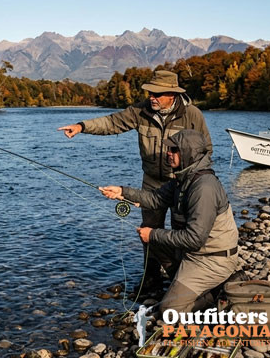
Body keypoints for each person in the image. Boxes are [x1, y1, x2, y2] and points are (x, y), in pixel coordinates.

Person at [58, 70, 212, 287]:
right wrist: (82, 127)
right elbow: (112, 123)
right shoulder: (140, 111)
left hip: (180, 183)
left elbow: (206, 150)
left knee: (180, 232)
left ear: (172, 95)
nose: (152, 97)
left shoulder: (192, 115)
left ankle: (183, 278)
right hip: (151, 182)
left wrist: (196, 183)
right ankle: (151, 276)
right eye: (150, 92)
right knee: (148, 230)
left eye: (157, 93)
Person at [99, 129, 238, 313]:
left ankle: (219, 291)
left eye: (174, 149)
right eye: (169, 149)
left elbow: (195, 239)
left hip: (212, 260)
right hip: (194, 254)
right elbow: (155, 199)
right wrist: (122, 192)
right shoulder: (183, 179)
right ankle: (182, 282)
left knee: (168, 310)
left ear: (189, 153)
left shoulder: (204, 187)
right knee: (151, 237)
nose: (168, 153)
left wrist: (153, 234)